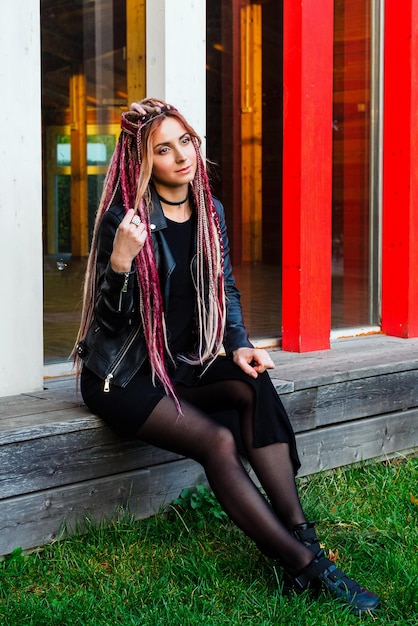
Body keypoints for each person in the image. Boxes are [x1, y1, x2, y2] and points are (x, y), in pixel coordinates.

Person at [74, 98, 380, 615]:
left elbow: (226, 288)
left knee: (252, 382)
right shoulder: (123, 221)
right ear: (143, 161)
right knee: (217, 440)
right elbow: (108, 325)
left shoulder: (209, 210)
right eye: (163, 149)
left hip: (181, 361)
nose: (180, 156)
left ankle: (301, 532)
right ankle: (307, 567)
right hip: (124, 377)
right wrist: (122, 264)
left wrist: (238, 342)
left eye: (185, 142)